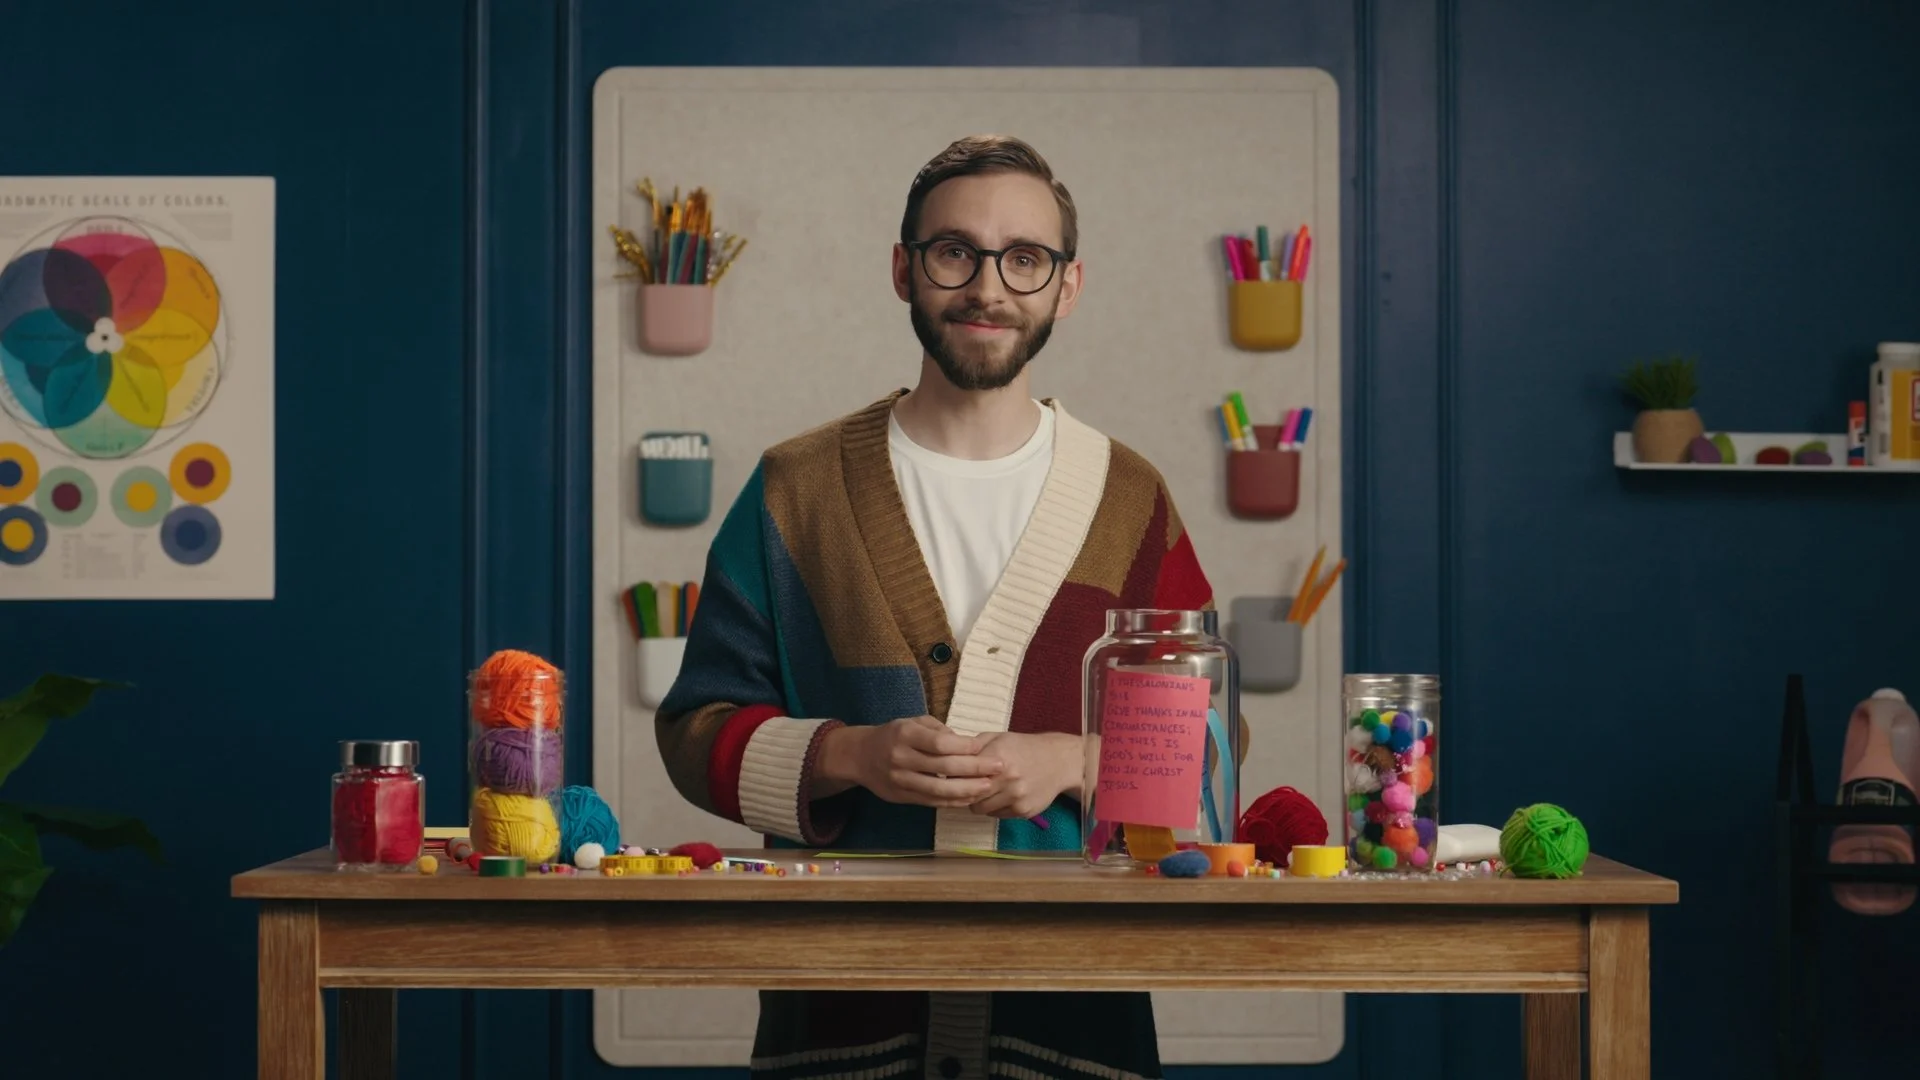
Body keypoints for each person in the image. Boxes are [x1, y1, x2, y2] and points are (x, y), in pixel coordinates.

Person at [656, 135, 1226, 1080]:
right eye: (954, 251)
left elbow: (1204, 750)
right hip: (837, 1019)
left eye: (1025, 259)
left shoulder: (1131, 501)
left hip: (1075, 1021)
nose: (988, 286)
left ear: (1066, 287)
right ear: (904, 270)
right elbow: (694, 731)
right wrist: (850, 756)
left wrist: (1074, 760)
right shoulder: (795, 491)